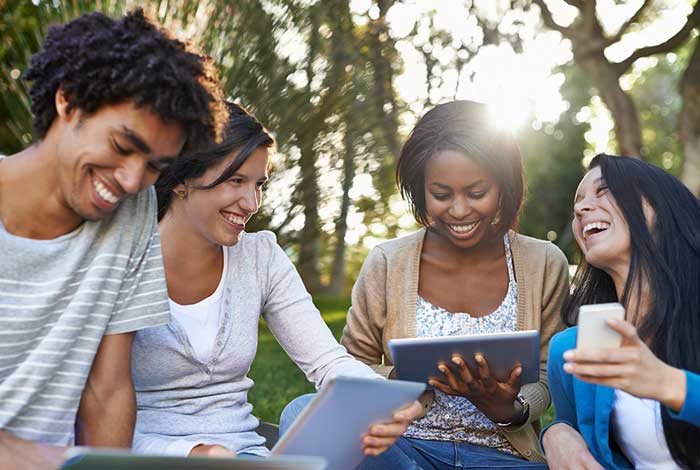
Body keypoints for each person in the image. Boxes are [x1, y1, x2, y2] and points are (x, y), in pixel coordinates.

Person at [130, 102, 423, 459]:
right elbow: (93, 406)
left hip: (243, 455)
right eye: (236, 180)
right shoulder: (125, 263)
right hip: (141, 454)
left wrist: (384, 398)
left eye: (259, 185)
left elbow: (327, 362)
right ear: (182, 179)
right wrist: (192, 453)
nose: (251, 202)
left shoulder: (260, 258)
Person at [0, 9, 223, 470]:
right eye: (123, 146)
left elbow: (109, 388)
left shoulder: (133, 209)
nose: (130, 179)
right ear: (68, 101)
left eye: (155, 166)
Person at [329, 100, 570, 469]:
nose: (459, 211)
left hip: (504, 458)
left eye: (476, 193)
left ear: (504, 186)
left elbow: (547, 375)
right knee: (305, 413)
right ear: (420, 189)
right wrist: (401, 378)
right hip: (407, 448)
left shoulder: (543, 262)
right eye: (442, 195)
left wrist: (508, 407)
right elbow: (349, 367)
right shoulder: (388, 261)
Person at [542, 154, 700, 470]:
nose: (581, 208)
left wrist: (669, 384)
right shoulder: (572, 350)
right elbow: (577, 438)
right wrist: (555, 434)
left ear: (662, 207)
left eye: (604, 190)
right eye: (579, 202)